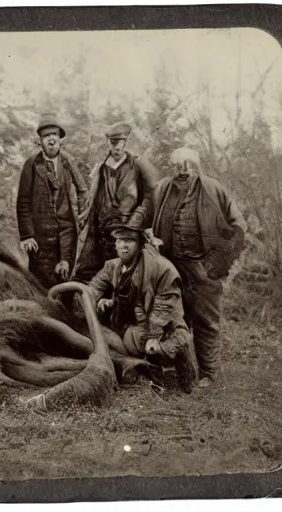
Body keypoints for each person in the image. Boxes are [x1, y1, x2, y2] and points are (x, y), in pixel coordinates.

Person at [152, 147, 247, 388]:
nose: (183, 170)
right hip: (172, 267)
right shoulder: (163, 189)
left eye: (188, 165)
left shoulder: (214, 190)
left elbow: (239, 227)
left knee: (206, 320)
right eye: (178, 165)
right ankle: (182, 369)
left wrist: (216, 264)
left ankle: (209, 372)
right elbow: (146, 219)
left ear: (197, 167)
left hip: (203, 267)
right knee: (174, 318)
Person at [88, 222, 199, 392]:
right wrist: (102, 301)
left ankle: (181, 377)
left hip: (163, 326)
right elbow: (92, 289)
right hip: (135, 326)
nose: (124, 245)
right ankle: (147, 370)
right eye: (120, 240)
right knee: (126, 342)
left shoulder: (160, 268)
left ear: (140, 244)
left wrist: (154, 337)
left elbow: (164, 306)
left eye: (129, 240)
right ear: (115, 243)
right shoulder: (113, 267)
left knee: (168, 343)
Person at [72, 121, 159, 282]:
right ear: (108, 143)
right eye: (113, 143)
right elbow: (94, 204)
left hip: (128, 233)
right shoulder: (101, 169)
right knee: (85, 275)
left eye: (120, 143)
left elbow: (150, 196)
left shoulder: (137, 165)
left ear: (126, 142)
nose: (117, 148)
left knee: (128, 279)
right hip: (101, 233)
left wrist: (136, 219)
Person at [16, 113, 88, 289]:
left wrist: (81, 218)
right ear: (40, 141)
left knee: (66, 280)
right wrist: (26, 235)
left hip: (66, 234)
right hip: (40, 237)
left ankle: (66, 315)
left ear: (60, 139)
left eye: (54, 135)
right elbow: (23, 201)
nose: (51, 140)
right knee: (41, 284)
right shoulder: (31, 164)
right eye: (46, 136)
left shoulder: (67, 162)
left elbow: (83, 190)